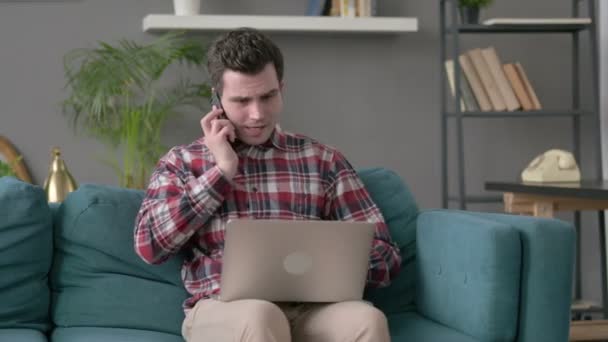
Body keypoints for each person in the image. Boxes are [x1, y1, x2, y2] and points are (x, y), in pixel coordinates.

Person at [134, 27, 402, 342]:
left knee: (367, 320)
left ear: (282, 88)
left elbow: (387, 257)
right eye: (242, 100)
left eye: (267, 96)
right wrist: (221, 172)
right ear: (216, 99)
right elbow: (149, 246)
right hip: (224, 310)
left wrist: (334, 263)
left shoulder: (323, 161)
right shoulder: (183, 162)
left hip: (311, 309)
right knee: (261, 316)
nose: (257, 114)